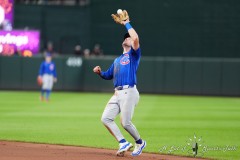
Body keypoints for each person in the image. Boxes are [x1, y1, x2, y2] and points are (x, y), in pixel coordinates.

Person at [93, 10, 146, 157]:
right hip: (117, 93)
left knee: (125, 123)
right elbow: (108, 75)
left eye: (129, 38)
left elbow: (135, 37)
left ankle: (140, 142)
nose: (128, 38)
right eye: (126, 38)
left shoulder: (134, 55)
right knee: (106, 118)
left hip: (129, 91)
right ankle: (123, 142)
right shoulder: (117, 60)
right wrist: (99, 73)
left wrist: (126, 23)